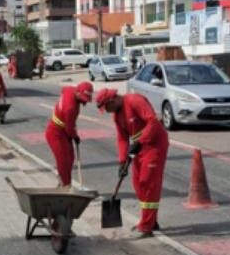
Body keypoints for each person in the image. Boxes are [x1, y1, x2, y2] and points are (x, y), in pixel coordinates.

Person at [95, 88, 169, 238]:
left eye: (107, 108)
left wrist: (140, 142)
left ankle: (147, 225)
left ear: (112, 100)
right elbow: (122, 138)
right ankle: (150, 220)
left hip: (154, 144)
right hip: (139, 146)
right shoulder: (117, 116)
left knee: (147, 182)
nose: (108, 111)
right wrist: (123, 161)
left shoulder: (134, 101)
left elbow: (153, 122)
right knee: (138, 183)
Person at [45, 81, 94, 187]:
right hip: (56, 133)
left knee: (70, 158)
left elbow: (64, 89)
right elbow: (69, 128)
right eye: (83, 99)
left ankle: (63, 183)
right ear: (78, 93)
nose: (83, 102)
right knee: (63, 161)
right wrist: (75, 136)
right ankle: (66, 186)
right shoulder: (70, 108)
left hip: (64, 132)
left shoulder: (69, 90)